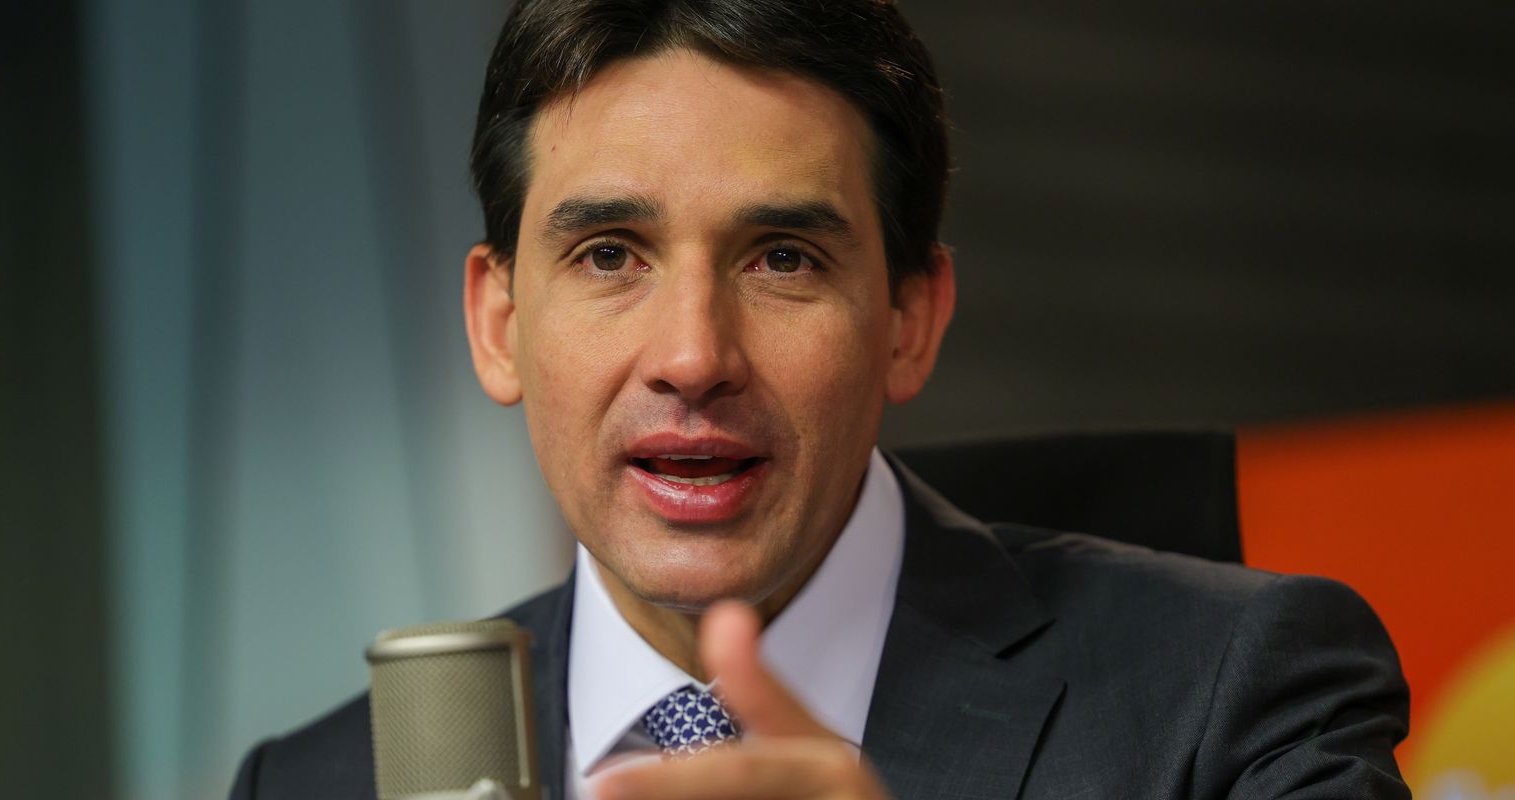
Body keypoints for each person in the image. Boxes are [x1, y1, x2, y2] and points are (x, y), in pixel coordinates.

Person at [230, 1, 1410, 798]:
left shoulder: (1241, 702)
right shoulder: (312, 782)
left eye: (782, 257)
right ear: (498, 324)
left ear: (909, 319)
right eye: (609, 254)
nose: (692, 355)